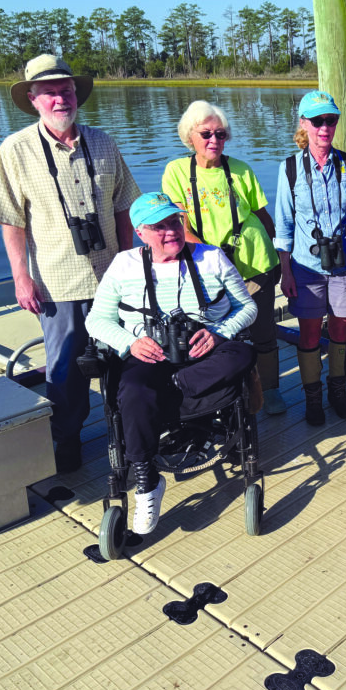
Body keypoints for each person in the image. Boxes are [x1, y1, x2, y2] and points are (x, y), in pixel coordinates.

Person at [0, 54, 141, 474]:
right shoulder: (15, 150)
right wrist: (21, 277)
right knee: (65, 371)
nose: (60, 99)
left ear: (77, 95)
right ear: (33, 99)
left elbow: (126, 207)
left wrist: (131, 264)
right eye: (50, 92)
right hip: (57, 283)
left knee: (123, 362)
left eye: (66, 90)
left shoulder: (104, 142)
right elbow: (11, 220)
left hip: (113, 279)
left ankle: (128, 434)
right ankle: (66, 441)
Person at [85, 193, 257, 535]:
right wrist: (130, 343)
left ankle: (174, 389)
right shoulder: (124, 265)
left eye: (175, 222)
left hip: (202, 351)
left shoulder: (212, 257)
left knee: (244, 353)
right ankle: (147, 483)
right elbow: (96, 321)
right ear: (140, 232)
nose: (171, 232)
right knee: (131, 387)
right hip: (151, 354)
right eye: (159, 226)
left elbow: (247, 308)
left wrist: (219, 334)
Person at [162, 101, 285, 415]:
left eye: (220, 134)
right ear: (190, 136)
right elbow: (181, 227)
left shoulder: (241, 169)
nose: (213, 140)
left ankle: (269, 390)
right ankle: (225, 391)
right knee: (216, 331)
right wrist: (213, 260)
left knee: (262, 330)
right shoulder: (176, 172)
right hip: (208, 270)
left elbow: (262, 216)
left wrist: (278, 260)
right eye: (205, 133)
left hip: (255, 262)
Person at [274, 90, 346, 426]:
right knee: (309, 334)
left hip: (345, 265)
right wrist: (286, 271)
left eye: (331, 120)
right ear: (304, 124)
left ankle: (337, 392)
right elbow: (283, 222)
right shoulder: (290, 168)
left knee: (341, 329)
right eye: (317, 120)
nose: (325, 127)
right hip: (305, 267)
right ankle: (312, 398)